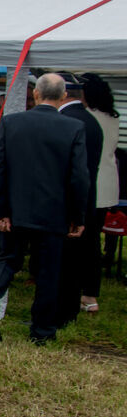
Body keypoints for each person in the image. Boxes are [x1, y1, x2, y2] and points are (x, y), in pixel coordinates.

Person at [0, 73, 89, 345]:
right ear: (63, 97)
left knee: (6, 259)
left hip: (15, 209)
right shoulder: (73, 128)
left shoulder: (12, 122)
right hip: (54, 212)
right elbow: (79, 177)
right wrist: (77, 216)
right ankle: (42, 331)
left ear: (36, 94)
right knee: (49, 270)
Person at [56, 77, 103, 323]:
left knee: (64, 261)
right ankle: (69, 307)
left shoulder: (68, 122)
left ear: (63, 95)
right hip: (84, 198)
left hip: (66, 200)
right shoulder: (91, 121)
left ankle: (62, 310)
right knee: (74, 258)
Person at [82, 73, 121, 290]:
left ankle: (87, 286)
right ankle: (90, 285)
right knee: (94, 236)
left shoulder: (87, 117)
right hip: (108, 184)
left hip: (92, 183)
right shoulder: (113, 117)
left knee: (86, 239)